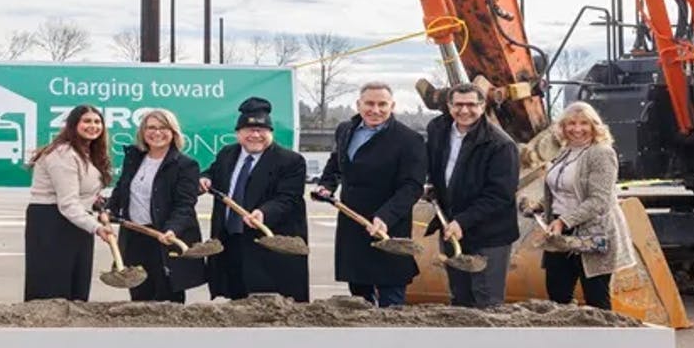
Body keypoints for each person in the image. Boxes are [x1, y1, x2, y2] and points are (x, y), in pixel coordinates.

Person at [315, 82, 426, 307]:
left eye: (382, 104)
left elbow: (412, 186)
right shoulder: (345, 130)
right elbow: (336, 163)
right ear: (359, 104)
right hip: (352, 224)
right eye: (369, 103)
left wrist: (385, 216)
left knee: (391, 296)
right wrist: (326, 185)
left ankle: (393, 340)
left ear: (392, 106)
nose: (375, 110)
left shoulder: (409, 140)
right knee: (358, 296)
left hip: (388, 227)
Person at [521, 101, 635, 310]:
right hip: (559, 232)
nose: (577, 129)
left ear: (594, 126)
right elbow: (560, 189)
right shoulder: (565, 151)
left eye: (584, 124)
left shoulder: (601, 154)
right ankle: (566, 341)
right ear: (563, 128)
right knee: (557, 297)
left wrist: (564, 221)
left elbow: (599, 201)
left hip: (592, 233)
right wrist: (539, 206)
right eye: (571, 124)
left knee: (596, 299)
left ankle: (603, 339)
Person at [199, 97, 309, 302]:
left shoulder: (290, 161)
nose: (255, 135)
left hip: (267, 248)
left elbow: (288, 198)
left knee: (267, 306)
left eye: (262, 130)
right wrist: (205, 178)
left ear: (271, 133)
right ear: (238, 133)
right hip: (230, 243)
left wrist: (264, 212)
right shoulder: (227, 153)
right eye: (249, 130)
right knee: (235, 299)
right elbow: (214, 172)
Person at [424, 82, 520, 308]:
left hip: (489, 235)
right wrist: (431, 185)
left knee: (486, 299)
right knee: (459, 298)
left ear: (482, 105)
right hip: (452, 228)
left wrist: (462, 221)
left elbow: (500, 195)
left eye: (471, 105)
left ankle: (489, 342)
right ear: (449, 105)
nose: (464, 111)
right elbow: (434, 165)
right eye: (458, 105)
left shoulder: (501, 145)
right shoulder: (438, 129)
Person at [105, 109, 205, 302]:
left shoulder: (185, 165)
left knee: (166, 299)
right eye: (151, 127)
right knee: (139, 296)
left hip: (164, 239)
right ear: (143, 132)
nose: (157, 132)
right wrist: (109, 208)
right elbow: (121, 188)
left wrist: (172, 229)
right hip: (134, 236)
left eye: (163, 127)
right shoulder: (134, 157)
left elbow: (185, 205)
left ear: (173, 132)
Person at [24, 104, 115, 301]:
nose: (93, 126)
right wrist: (97, 228)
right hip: (52, 224)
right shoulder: (63, 154)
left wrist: (96, 202)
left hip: (76, 222)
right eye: (87, 121)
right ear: (73, 125)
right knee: (53, 290)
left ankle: (72, 330)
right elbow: (67, 203)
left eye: (97, 122)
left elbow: (81, 192)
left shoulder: (86, 152)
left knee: (76, 287)